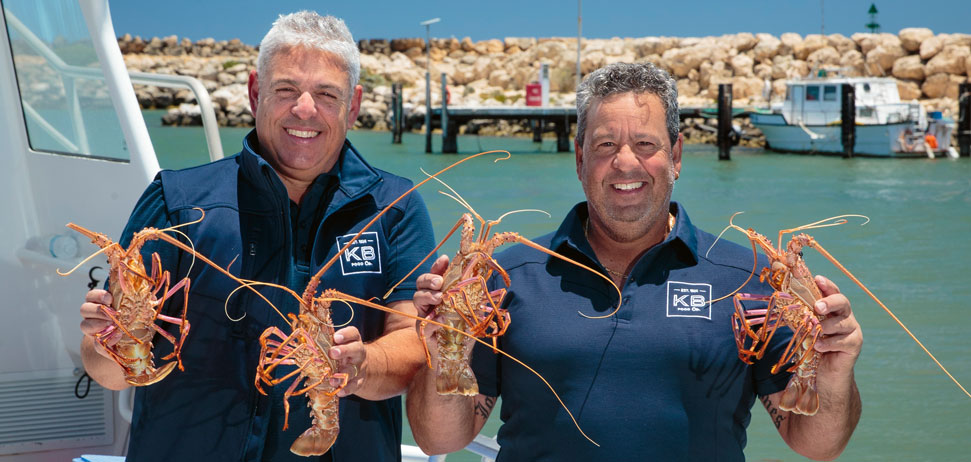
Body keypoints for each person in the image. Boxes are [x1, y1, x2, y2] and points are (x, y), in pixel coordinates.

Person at [407, 62, 862, 461]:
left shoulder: (753, 278)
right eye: (605, 146)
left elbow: (817, 445)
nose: (626, 163)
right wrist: (440, 344)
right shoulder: (506, 276)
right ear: (580, 158)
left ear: (676, 155)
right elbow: (438, 438)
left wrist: (836, 370)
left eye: (645, 144)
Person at [78, 11, 434, 462]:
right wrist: (110, 341)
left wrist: (362, 366)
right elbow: (102, 368)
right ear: (255, 92)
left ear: (354, 104)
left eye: (327, 94)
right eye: (286, 90)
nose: (305, 110)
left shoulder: (396, 208)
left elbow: (411, 341)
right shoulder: (174, 201)